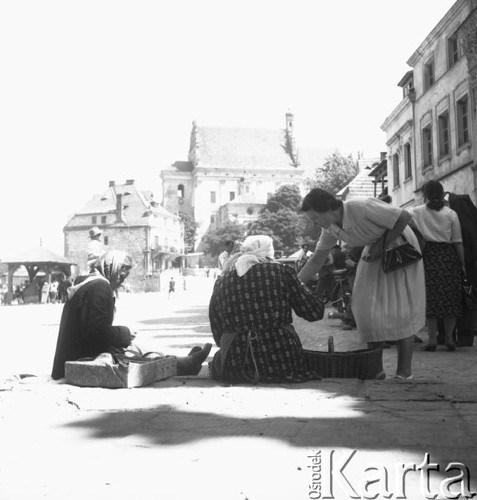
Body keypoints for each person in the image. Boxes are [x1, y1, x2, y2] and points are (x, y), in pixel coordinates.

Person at [298, 188, 425, 380]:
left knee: (401, 308)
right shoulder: (330, 228)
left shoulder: (361, 207)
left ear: (327, 209)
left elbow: (403, 217)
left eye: (315, 218)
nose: (315, 223)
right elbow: (316, 260)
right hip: (373, 251)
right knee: (365, 309)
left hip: (398, 247)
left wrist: (381, 246)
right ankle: (376, 368)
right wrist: (292, 283)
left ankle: (404, 371)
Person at [51, 250, 211, 380]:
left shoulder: (88, 283)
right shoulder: (99, 287)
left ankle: (181, 363)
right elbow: (95, 333)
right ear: (111, 267)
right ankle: (183, 364)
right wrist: (124, 333)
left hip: (71, 357)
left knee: (134, 350)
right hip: (80, 360)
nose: (121, 280)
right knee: (135, 358)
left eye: (125, 276)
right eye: (120, 274)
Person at [209, 235, 324, 383]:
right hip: (283, 362)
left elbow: (217, 331)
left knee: (219, 358)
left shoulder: (222, 281)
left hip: (234, 365)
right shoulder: (281, 272)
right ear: (269, 251)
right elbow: (314, 312)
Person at [408, 180, 465, 351]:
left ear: (424, 194)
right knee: (451, 299)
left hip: (426, 257)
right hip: (448, 257)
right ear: (442, 193)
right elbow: (458, 241)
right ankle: (449, 338)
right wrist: (462, 264)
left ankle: (432, 339)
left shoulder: (414, 212)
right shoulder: (451, 214)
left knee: (430, 299)